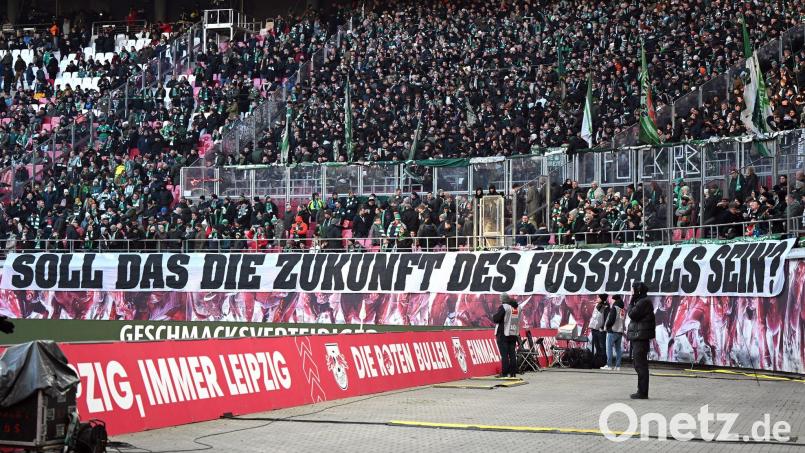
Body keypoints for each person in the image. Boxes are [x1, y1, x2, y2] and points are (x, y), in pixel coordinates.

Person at [627, 282, 655, 399]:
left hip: (641, 338)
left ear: (637, 291)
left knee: (640, 365)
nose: (631, 292)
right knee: (638, 364)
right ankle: (641, 390)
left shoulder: (643, 302)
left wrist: (630, 302)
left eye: (632, 290)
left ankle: (642, 392)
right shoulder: (642, 302)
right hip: (638, 337)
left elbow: (632, 314)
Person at [492, 293, 520, 378]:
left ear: (503, 300)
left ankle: (505, 373)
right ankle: (513, 373)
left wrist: (494, 316)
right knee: (512, 354)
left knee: (504, 355)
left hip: (503, 333)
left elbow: (496, 319)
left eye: (500, 298)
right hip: (514, 333)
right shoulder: (517, 307)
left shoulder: (504, 307)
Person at [602, 294, 626, 371]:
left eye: (612, 299)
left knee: (609, 348)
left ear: (614, 300)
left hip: (612, 331)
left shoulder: (614, 308)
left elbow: (611, 319)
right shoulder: (622, 309)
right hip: (620, 331)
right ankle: (618, 366)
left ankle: (609, 365)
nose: (611, 301)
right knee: (618, 349)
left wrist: (608, 326)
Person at [590, 294, 609, 366]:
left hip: (601, 330)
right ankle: (598, 361)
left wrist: (603, 328)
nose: (597, 298)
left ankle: (604, 362)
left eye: (598, 297)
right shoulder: (597, 305)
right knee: (597, 346)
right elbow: (594, 317)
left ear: (602, 298)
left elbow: (606, 318)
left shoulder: (605, 307)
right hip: (594, 329)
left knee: (602, 346)